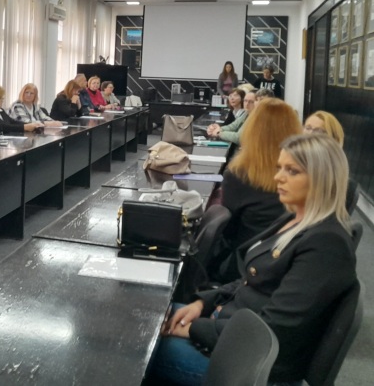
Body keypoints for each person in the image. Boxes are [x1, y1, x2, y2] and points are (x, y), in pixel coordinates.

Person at [150, 133, 357, 386]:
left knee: (142, 344)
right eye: (280, 168)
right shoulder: (295, 219)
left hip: (249, 367)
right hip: (229, 329)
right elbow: (252, 278)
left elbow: (273, 329)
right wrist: (203, 303)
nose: (278, 177)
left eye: (292, 171)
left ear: (322, 179)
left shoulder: (326, 244)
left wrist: (196, 329)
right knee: (149, 314)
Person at [212, 99, 303, 282]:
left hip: (245, 265)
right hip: (292, 264)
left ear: (252, 130)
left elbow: (227, 231)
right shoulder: (306, 175)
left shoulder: (239, 174)